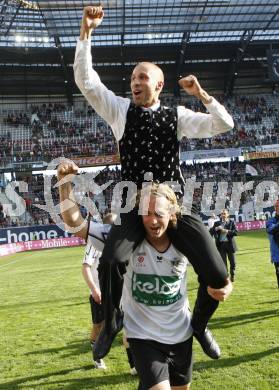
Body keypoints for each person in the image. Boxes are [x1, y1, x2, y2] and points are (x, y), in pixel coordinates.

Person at [73, 5, 234, 361]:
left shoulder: (176, 116)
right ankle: (113, 324)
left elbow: (224, 124)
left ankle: (200, 324)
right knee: (111, 260)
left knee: (219, 275)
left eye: (142, 77)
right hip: (133, 207)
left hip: (173, 207)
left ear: (158, 85)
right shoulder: (118, 110)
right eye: (133, 77)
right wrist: (85, 34)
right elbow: (87, 82)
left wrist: (202, 93)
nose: (134, 81)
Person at [57, 164, 233, 390]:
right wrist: (65, 183)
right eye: (146, 214)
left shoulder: (186, 240)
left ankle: (201, 327)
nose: (152, 221)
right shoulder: (122, 240)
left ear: (172, 213)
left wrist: (225, 286)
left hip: (181, 334)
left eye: (158, 214)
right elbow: (75, 223)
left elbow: (213, 268)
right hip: (142, 336)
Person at [82, 213, 137, 373]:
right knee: (99, 326)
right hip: (100, 294)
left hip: (121, 293)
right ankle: (97, 356)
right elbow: (85, 267)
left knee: (128, 327)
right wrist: (94, 289)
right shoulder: (93, 242)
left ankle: (133, 365)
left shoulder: (123, 241)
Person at [210, 209, 238, 282]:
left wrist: (227, 231)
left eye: (224, 214)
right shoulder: (217, 223)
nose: (223, 215)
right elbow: (210, 232)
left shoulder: (231, 222)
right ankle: (226, 277)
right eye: (222, 214)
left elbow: (236, 232)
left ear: (228, 215)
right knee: (223, 262)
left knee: (233, 262)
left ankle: (232, 274)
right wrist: (216, 228)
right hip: (221, 245)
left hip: (230, 245)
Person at [266, 199, 279, 288]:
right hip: (277, 255)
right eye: (277, 206)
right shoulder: (271, 221)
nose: (278, 208)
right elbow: (271, 230)